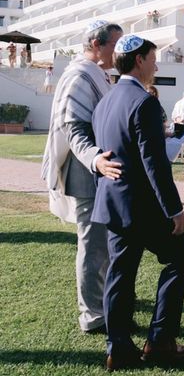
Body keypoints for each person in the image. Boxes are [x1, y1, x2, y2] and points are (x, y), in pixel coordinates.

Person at [91, 34, 184, 371]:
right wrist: (175, 210)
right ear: (139, 60)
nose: (156, 64)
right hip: (142, 208)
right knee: (180, 258)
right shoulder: (144, 102)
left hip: (113, 203)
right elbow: (154, 164)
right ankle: (161, 341)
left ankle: (118, 348)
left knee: (120, 275)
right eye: (153, 58)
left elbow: (119, 146)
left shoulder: (106, 101)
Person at [41, 20, 124, 334]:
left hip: (103, 170)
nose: (118, 51)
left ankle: (104, 301)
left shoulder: (99, 74)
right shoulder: (79, 75)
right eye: (115, 44)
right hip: (87, 172)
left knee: (104, 244)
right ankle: (92, 316)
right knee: (93, 247)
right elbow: (73, 128)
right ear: (96, 43)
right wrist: (94, 160)